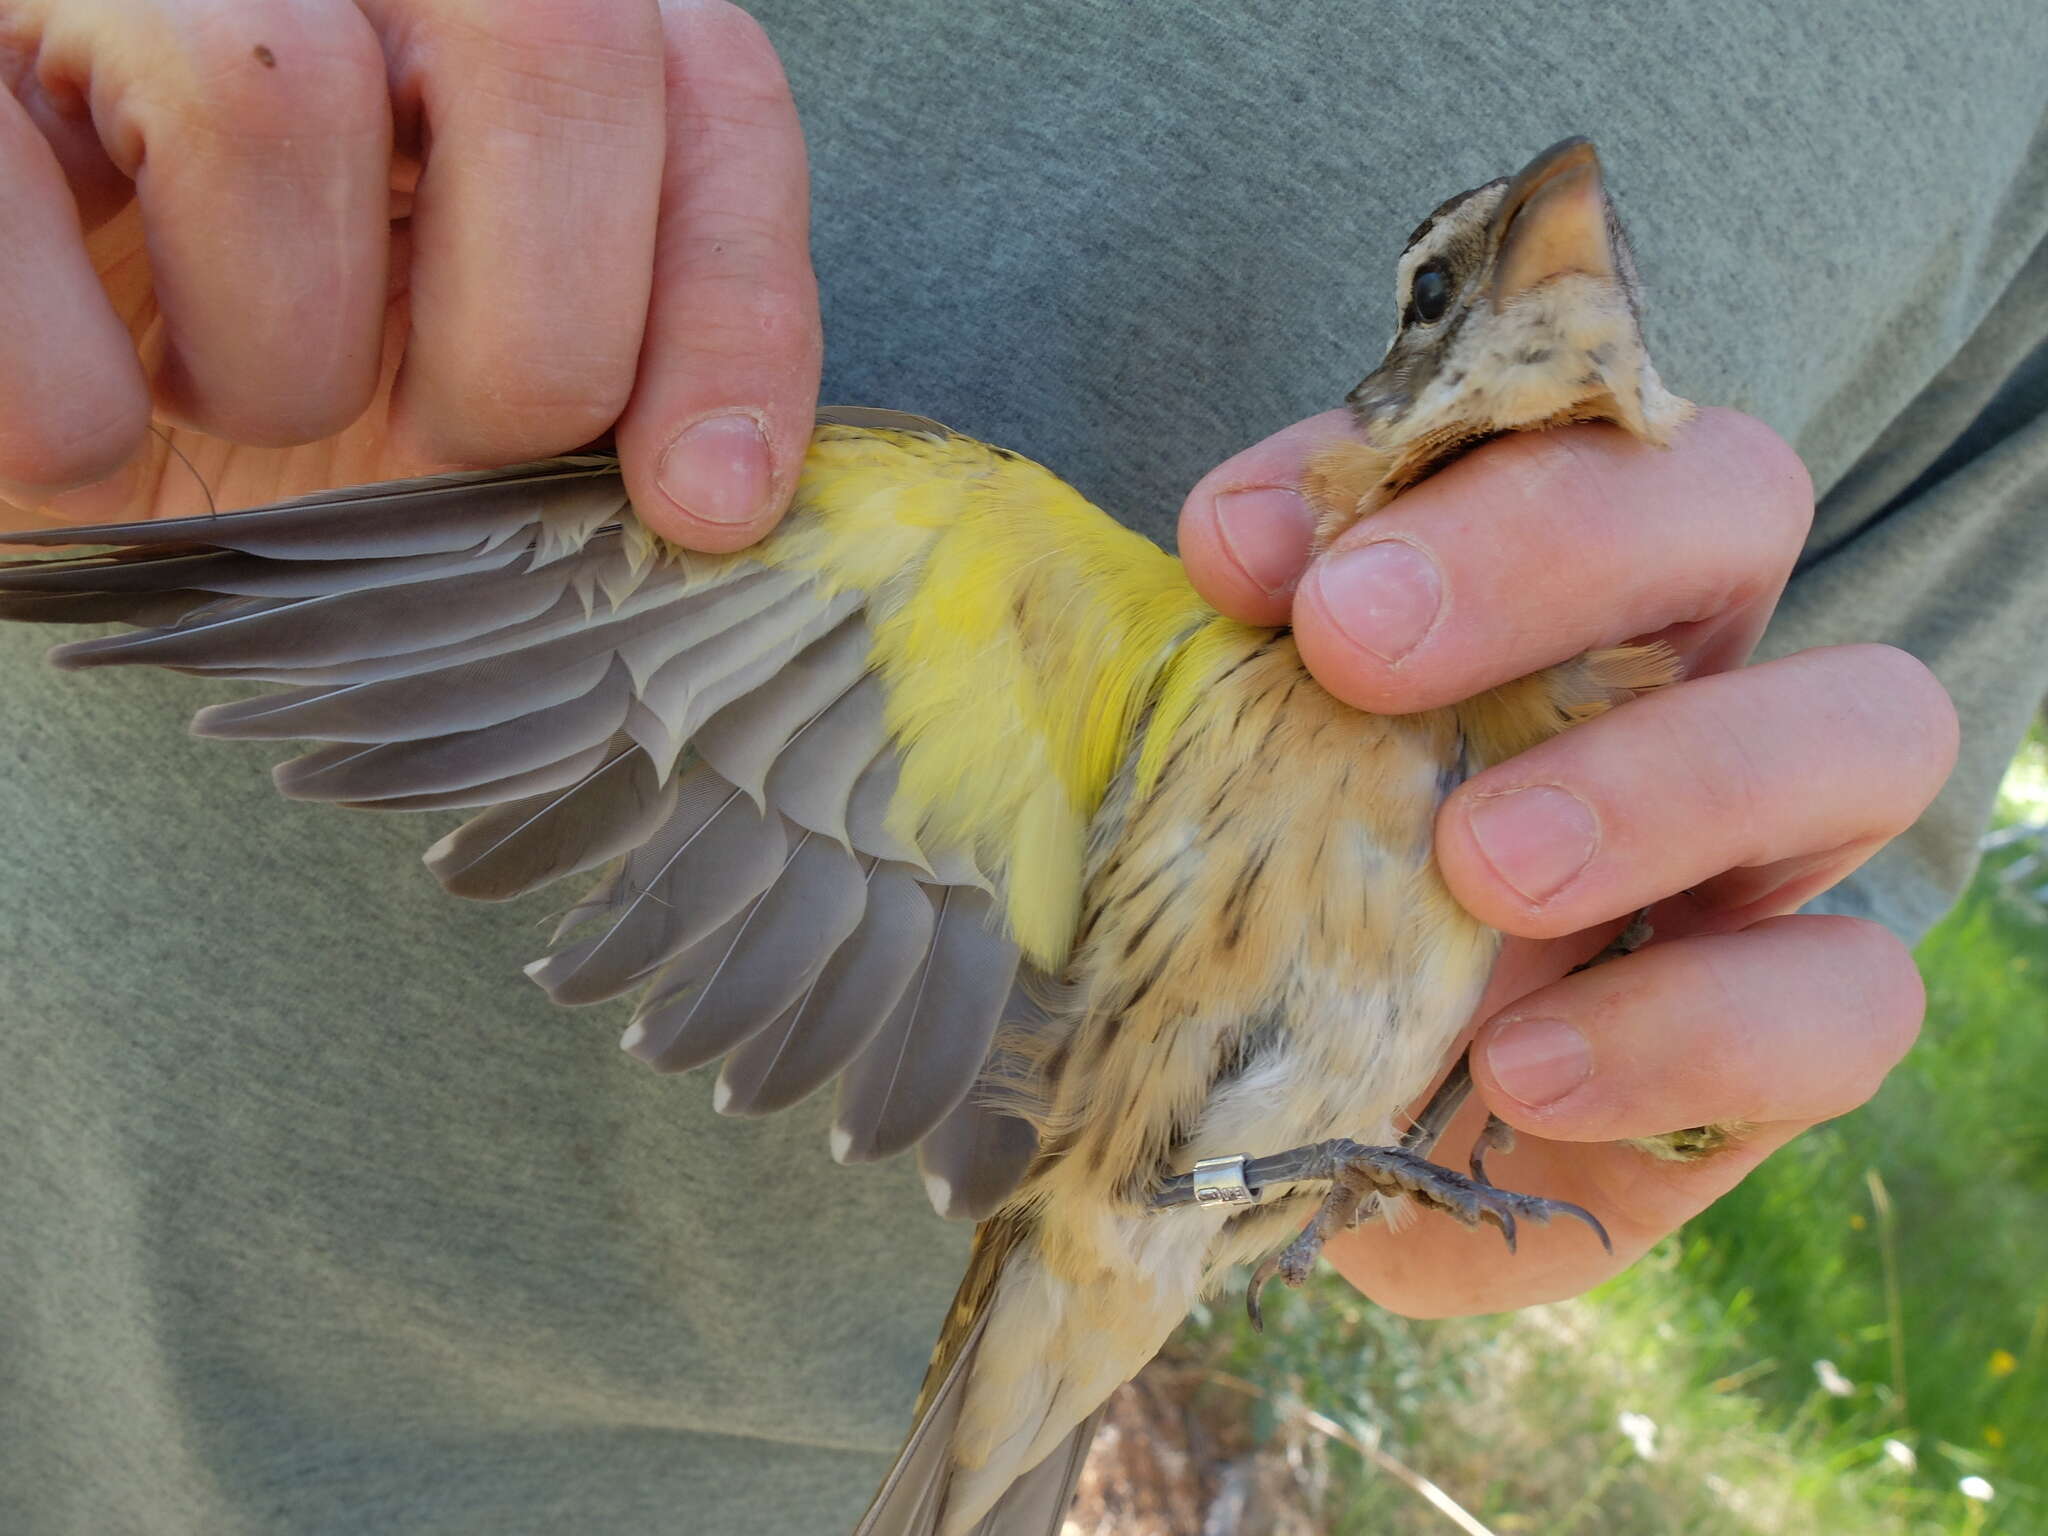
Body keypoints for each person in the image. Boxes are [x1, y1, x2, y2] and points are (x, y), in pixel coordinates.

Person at [0, 3, 2038, 1532]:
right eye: (1449, 289)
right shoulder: (1102, 627)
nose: (1548, 252)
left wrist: (1658, 1086)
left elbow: (1743, 1004)